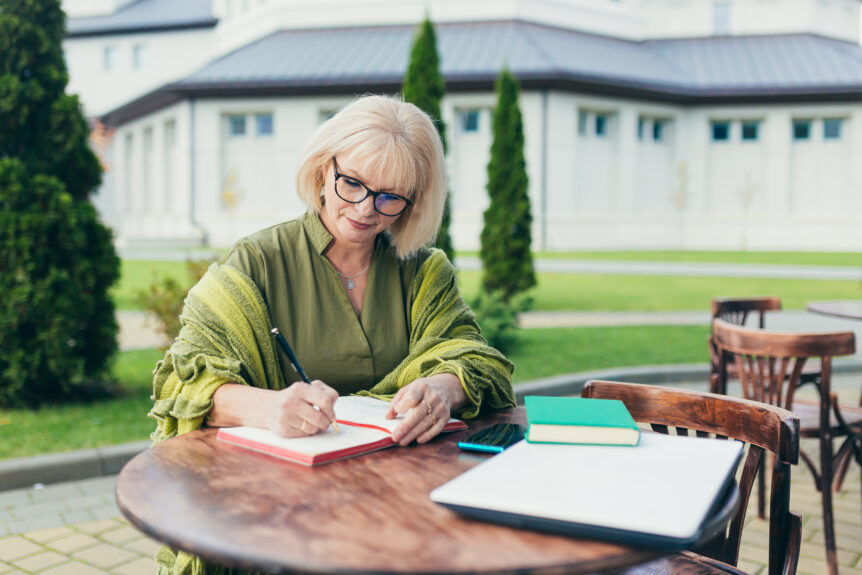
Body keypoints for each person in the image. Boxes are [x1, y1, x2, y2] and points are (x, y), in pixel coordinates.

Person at [148, 94, 516, 574]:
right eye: (353, 184)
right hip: (280, 518)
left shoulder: (424, 271)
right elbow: (181, 382)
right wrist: (267, 406)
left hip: (408, 512)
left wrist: (443, 390)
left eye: (390, 196)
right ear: (325, 168)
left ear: (414, 201)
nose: (366, 210)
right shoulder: (258, 262)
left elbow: (475, 358)